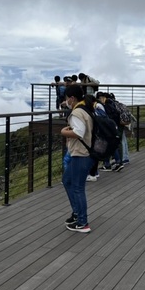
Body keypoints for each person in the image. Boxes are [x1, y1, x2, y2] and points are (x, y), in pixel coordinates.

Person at [61, 84, 94, 233]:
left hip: (81, 154)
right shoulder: (86, 109)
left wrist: (64, 132)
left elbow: (79, 132)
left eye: (67, 99)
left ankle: (82, 222)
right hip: (83, 154)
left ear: (72, 98)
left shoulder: (77, 113)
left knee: (77, 188)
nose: (66, 101)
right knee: (67, 180)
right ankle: (77, 213)